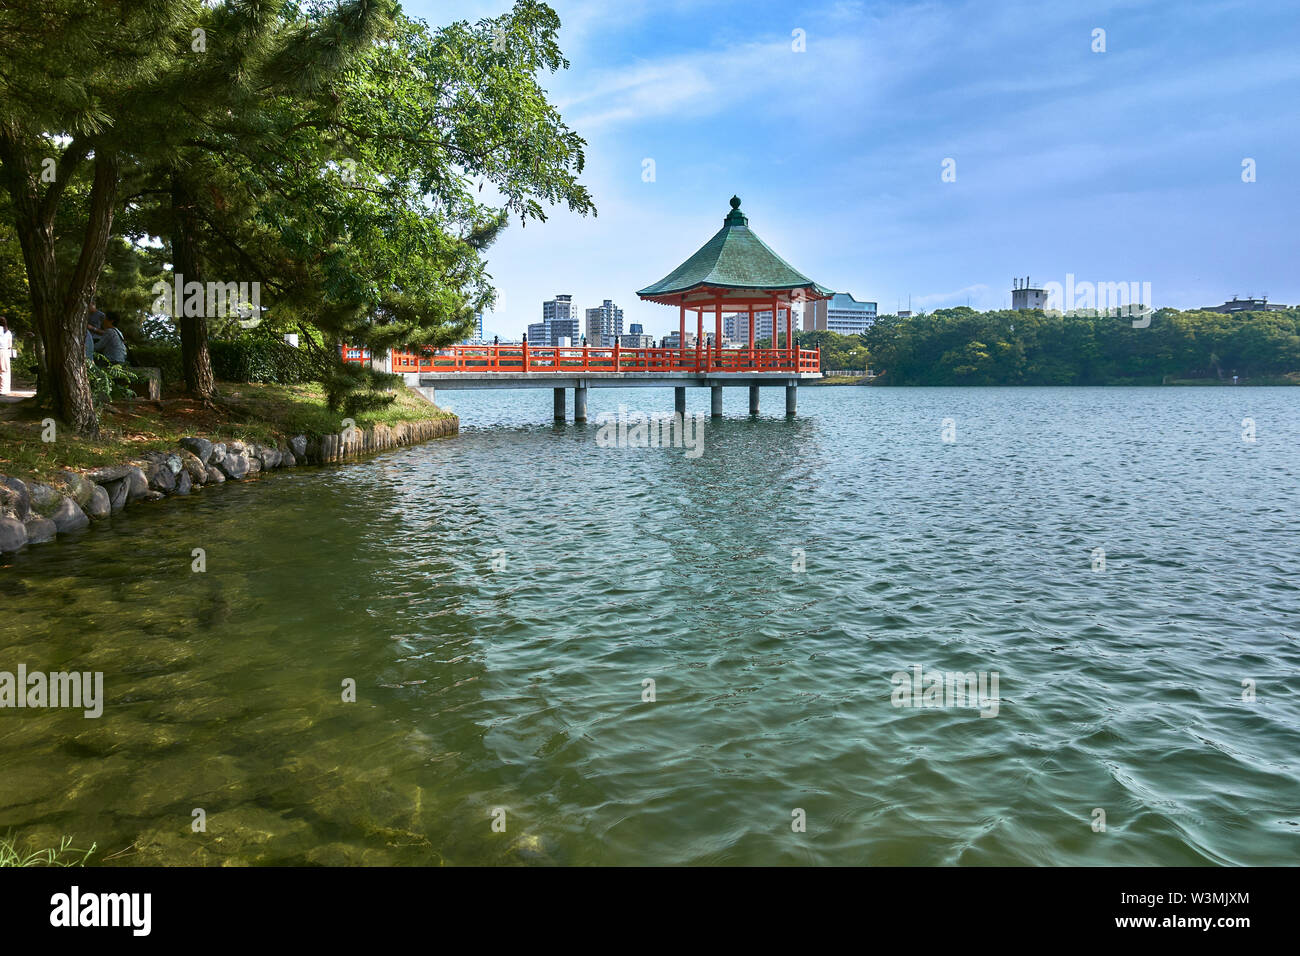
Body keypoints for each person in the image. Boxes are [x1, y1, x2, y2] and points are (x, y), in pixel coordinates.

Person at [0, 317, 12, 394]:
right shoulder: (8, 332)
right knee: (4, 371)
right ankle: (3, 390)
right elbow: (10, 345)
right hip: (4, 352)